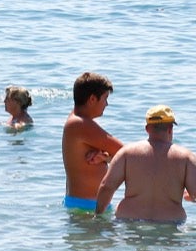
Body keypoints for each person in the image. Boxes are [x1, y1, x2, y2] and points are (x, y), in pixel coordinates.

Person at [96, 106, 196, 222]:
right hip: (169, 224)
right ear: (170, 129)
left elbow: (106, 187)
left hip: (129, 220)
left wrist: (98, 216)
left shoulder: (127, 153)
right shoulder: (186, 158)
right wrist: (189, 197)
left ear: (147, 129)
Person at [63, 71, 122, 213]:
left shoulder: (76, 120)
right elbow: (127, 153)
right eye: (105, 98)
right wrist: (108, 157)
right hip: (87, 209)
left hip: (85, 206)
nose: (106, 104)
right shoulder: (80, 124)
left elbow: (121, 155)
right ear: (92, 99)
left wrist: (106, 157)